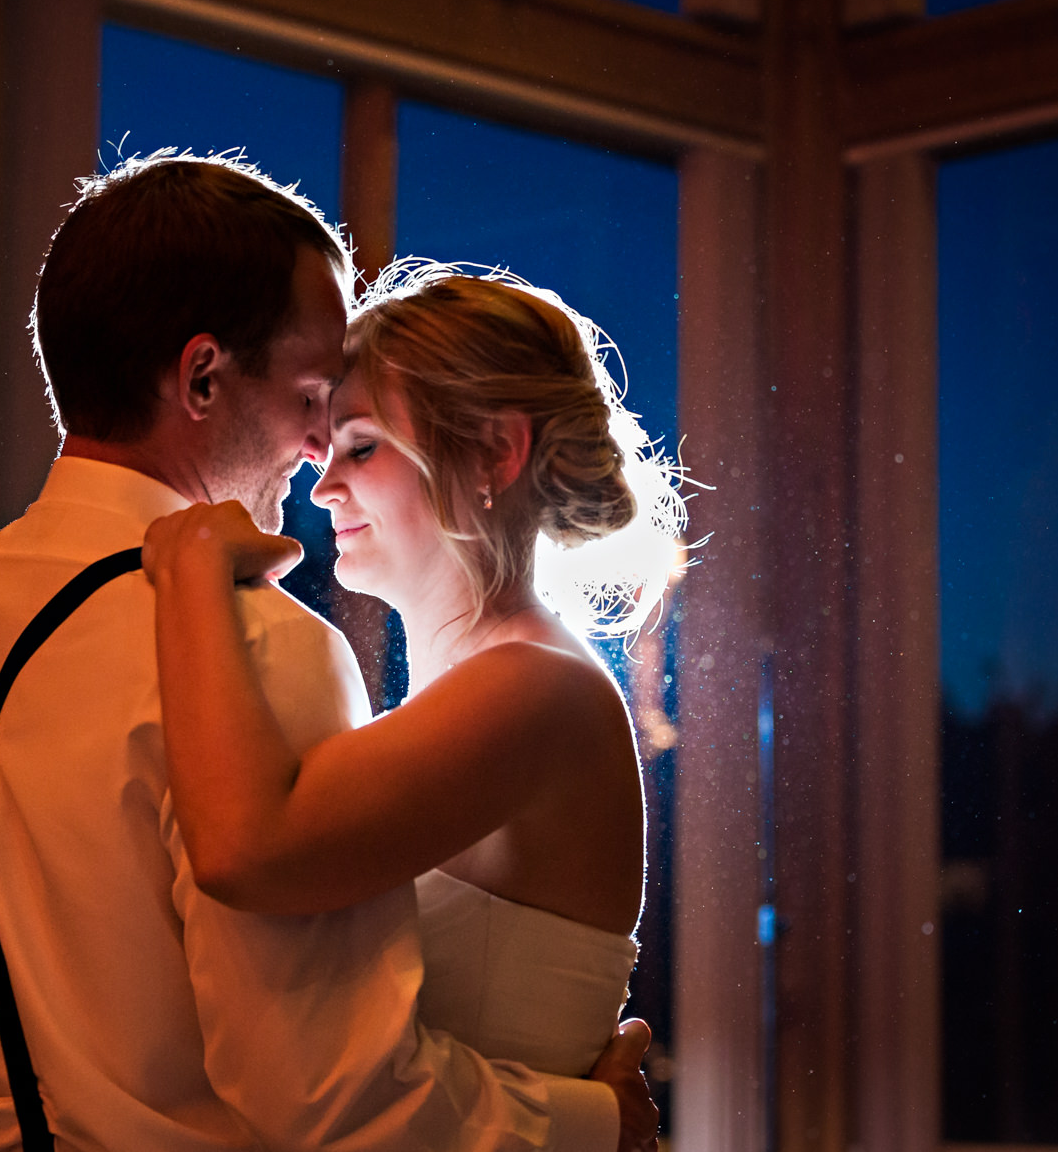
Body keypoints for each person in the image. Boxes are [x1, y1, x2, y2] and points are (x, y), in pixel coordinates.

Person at [0, 155, 659, 1151]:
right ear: (202, 376)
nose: (316, 458)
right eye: (316, 400)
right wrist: (594, 1125)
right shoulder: (257, 646)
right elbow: (320, 1087)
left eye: (353, 436)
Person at [143, 264, 685, 1078]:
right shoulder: (483, 686)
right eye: (327, 449)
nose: (323, 487)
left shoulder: (541, 688)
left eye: (361, 446)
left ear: (496, 453)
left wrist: (191, 575)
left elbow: (246, 853)